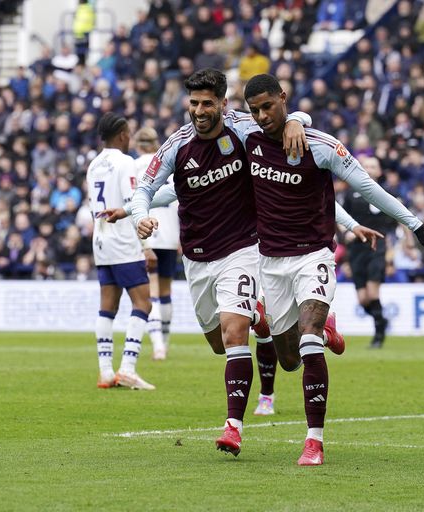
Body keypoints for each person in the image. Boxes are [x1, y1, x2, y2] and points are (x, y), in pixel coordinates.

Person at [109, 68, 311, 459]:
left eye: (207, 103)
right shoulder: (176, 145)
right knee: (219, 344)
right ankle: (262, 313)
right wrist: (139, 216)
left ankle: (233, 427)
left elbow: (282, 117)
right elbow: (146, 189)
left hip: (243, 249)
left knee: (236, 336)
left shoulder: (242, 127)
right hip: (198, 260)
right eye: (194, 103)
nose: (199, 111)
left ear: (222, 102)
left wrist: (299, 121)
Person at [242, 74, 424, 465]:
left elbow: (369, 188)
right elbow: (209, 127)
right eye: (255, 110)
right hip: (271, 261)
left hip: (313, 255)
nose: (263, 116)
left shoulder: (322, 147)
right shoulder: (246, 138)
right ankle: (327, 326)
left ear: (283, 97)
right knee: (287, 360)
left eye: (269, 106)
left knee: (309, 337)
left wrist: (416, 225)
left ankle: (313, 441)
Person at [87, 112, 155, 391]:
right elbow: (131, 203)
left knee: (108, 307)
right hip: (124, 242)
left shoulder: (93, 164)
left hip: (100, 241)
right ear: (123, 135)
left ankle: (105, 372)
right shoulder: (125, 162)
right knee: (144, 304)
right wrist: (145, 245)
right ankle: (127, 368)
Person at [339, 155, 397, 349]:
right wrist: (346, 235)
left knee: (372, 293)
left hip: (376, 247)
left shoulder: (386, 194)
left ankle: (378, 336)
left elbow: (396, 220)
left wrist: (396, 248)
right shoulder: (351, 194)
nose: (370, 169)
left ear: (379, 172)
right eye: (367, 166)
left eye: (373, 166)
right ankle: (382, 321)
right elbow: (340, 217)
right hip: (356, 249)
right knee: (362, 299)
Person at [133, 127, 180, 361]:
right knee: (165, 291)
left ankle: (158, 346)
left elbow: (133, 201)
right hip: (171, 233)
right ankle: (166, 339)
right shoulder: (168, 163)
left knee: (150, 290)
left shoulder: (135, 166)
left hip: (147, 231)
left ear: (137, 144)